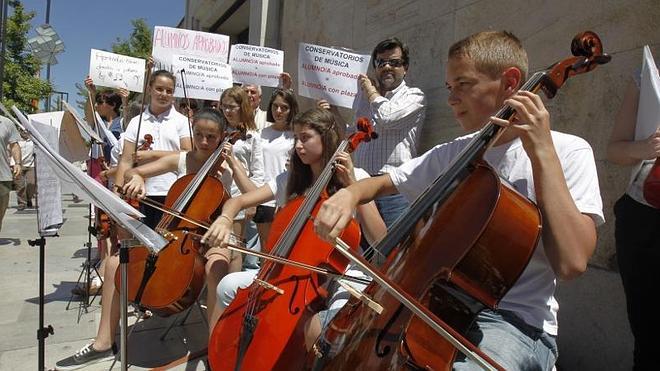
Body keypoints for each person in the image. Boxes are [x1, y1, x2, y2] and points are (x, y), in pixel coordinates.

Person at [313, 30, 604, 370]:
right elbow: (382, 183)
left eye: (463, 84)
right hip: (437, 308)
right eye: (450, 88)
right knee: (325, 334)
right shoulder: (455, 152)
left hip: (514, 323)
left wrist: (541, 153)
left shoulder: (569, 151)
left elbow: (571, 263)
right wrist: (350, 193)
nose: (451, 99)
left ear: (510, 82)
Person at [53, 109, 241, 370]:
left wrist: (234, 167)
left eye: (211, 136)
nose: (205, 142)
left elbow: (251, 201)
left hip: (216, 232)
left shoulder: (228, 163)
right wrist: (138, 179)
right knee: (113, 264)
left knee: (214, 268)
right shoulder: (182, 159)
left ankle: (217, 347)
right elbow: (135, 172)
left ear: (222, 136)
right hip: (177, 232)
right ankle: (104, 341)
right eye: (199, 134)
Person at [202, 107, 386, 335]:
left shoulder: (359, 178)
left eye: (305, 138)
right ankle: (218, 355)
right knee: (227, 287)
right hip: (290, 273)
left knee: (335, 320)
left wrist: (353, 185)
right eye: (296, 138)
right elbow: (239, 201)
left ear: (326, 138)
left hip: (343, 274)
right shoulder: (289, 180)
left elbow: (380, 239)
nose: (298, 146)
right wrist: (225, 218)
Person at [606, 68, 660, 370]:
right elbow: (615, 149)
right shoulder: (648, 78)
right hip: (643, 220)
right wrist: (645, 148)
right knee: (649, 336)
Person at [343, 37, 426, 230]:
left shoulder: (415, 96)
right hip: (362, 187)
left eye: (394, 63)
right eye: (381, 62)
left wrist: (371, 92)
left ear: (405, 68)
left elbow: (387, 117)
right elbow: (349, 137)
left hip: (395, 191)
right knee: (362, 253)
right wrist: (332, 111)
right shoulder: (365, 100)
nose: (387, 67)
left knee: (393, 252)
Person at [113, 69, 192, 228]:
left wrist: (152, 155)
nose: (164, 94)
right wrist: (116, 194)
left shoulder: (181, 121)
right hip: (141, 193)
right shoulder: (136, 122)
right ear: (150, 89)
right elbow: (126, 161)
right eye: (159, 89)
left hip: (173, 192)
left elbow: (188, 154)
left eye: (169, 91)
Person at [254, 88, 298, 246]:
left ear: (291, 109)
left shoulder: (296, 136)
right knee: (266, 246)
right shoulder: (260, 134)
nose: (278, 111)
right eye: (275, 106)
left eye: (284, 107)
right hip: (265, 197)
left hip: (287, 197)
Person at [0, 116, 21, 232]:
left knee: (0, 212)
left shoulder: (6, 123)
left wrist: (17, 163)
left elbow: (14, 145)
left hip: (2, 176)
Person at [12, 129, 35, 210]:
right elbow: (11, 150)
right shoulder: (15, 140)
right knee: (20, 185)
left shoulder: (33, 141)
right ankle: (22, 203)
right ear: (19, 131)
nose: (24, 132)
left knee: (32, 184)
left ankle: (29, 198)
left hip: (31, 165)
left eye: (26, 130)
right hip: (18, 165)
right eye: (22, 130)